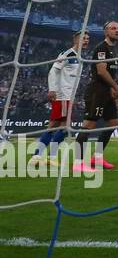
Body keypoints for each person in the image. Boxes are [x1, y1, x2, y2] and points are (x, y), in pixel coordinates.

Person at [74, 21, 118, 173]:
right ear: (105, 32)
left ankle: (97, 157)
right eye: (113, 28)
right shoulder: (101, 48)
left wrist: (114, 93)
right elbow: (101, 71)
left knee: (113, 123)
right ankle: (78, 162)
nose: (117, 31)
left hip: (108, 93)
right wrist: (115, 86)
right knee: (88, 125)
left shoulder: (114, 49)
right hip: (97, 91)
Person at [34, 32, 89, 162]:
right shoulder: (68, 54)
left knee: (60, 126)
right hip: (63, 95)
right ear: (75, 39)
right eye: (83, 38)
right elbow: (53, 70)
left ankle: (43, 156)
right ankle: (40, 155)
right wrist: (52, 89)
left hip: (69, 96)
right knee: (58, 126)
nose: (86, 41)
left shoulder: (78, 56)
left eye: (87, 39)